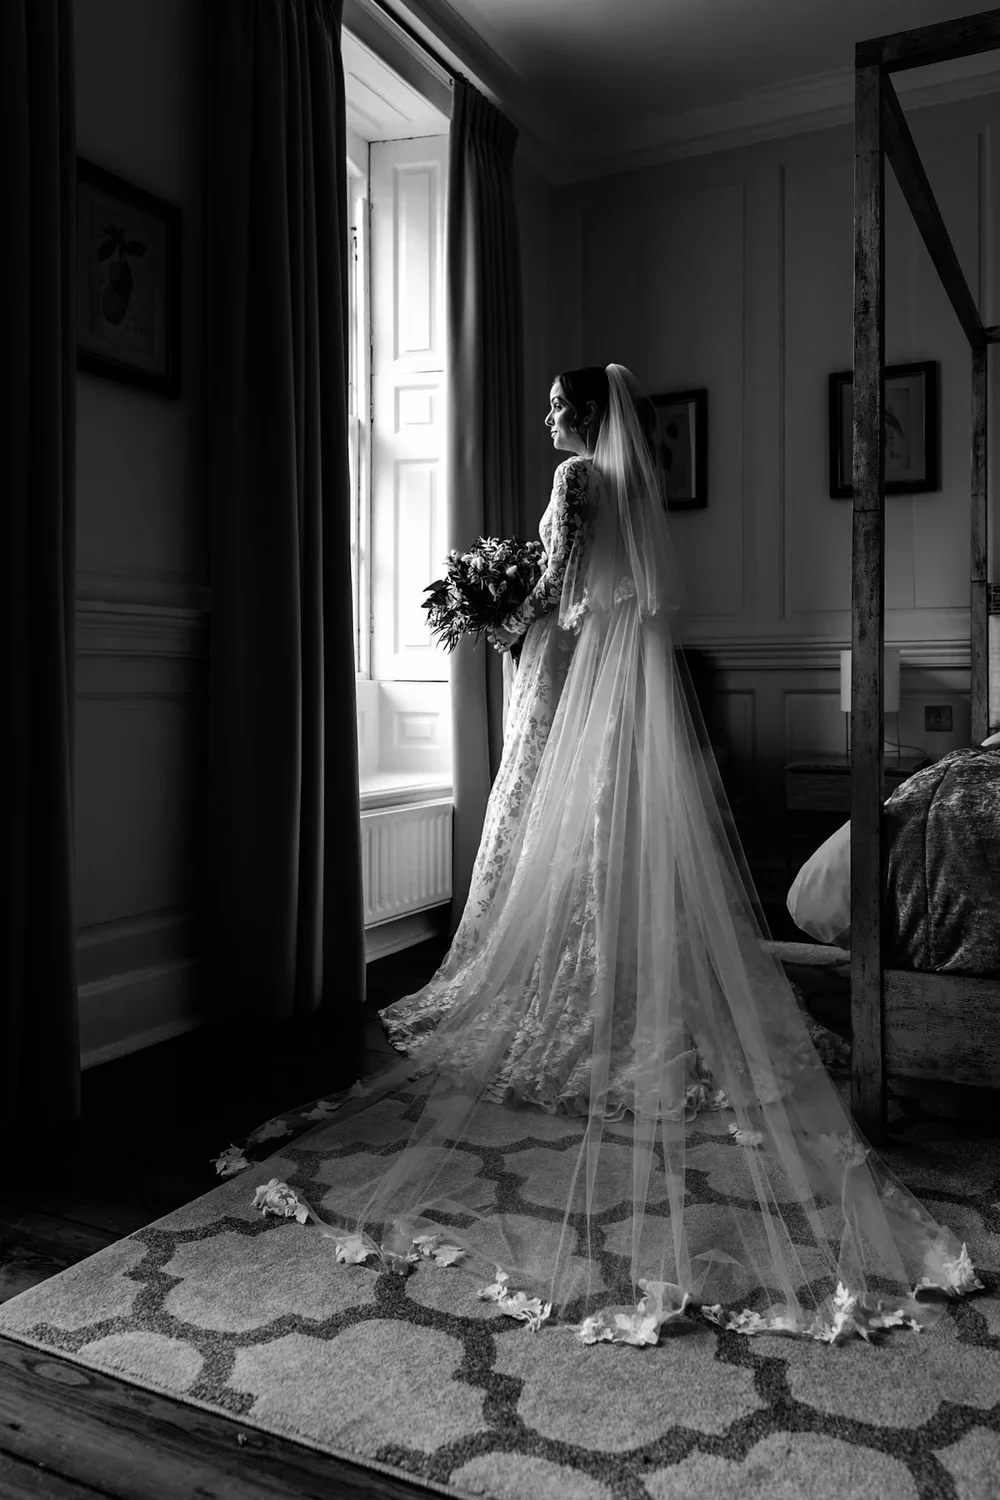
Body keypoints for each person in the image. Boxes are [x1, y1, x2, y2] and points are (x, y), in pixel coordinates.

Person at [232, 364, 981, 1346]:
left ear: (586, 416)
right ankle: (621, 966)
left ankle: (573, 983)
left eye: (557, 402)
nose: (545, 413)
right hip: (615, 665)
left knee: (554, 812)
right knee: (592, 821)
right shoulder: (623, 483)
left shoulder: (576, 480)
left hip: (570, 663)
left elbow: (559, 587)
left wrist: (504, 614)